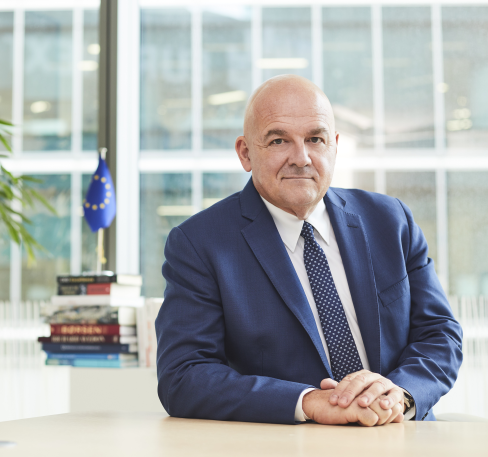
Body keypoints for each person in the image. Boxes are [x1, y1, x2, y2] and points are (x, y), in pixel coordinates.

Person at [155, 75, 463, 426]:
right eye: (278, 140)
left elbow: (440, 333)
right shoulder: (199, 243)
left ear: (334, 145)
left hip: (398, 434)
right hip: (286, 444)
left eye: (315, 139)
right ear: (245, 152)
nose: (300, 158)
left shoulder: (390, 221)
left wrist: (400, 392)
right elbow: (184, 375)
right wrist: (308, 402)